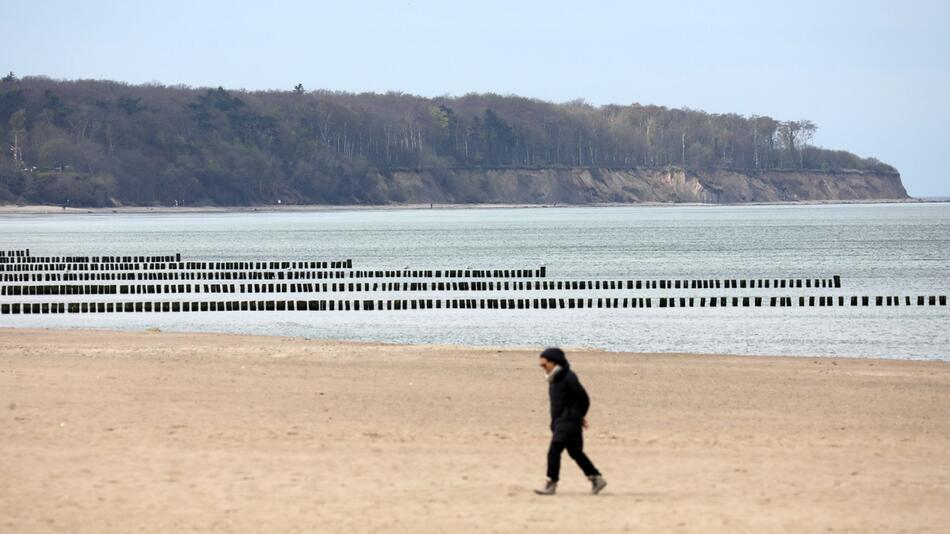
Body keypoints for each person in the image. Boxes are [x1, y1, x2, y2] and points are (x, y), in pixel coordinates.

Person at [535, 347, 607, 495]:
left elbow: (584, 399)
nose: (542, 367)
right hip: (563, 422)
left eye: (544, 364)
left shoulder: (568, 377)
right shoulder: (554, 379)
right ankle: (596, 478)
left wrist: (577, 416)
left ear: (554, 363)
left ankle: (551, 483)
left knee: (554, 451)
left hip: (567, 422)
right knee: (575, 452)